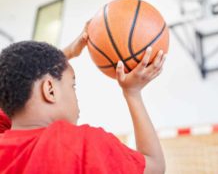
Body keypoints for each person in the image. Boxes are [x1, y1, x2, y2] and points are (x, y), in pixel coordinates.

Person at [0, 22, 166, 174]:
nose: (76, 97)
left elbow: (9, 89)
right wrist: (133, 93)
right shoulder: (84, 145)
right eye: (73, 86)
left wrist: (60, 59)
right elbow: (155, 166)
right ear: (50, 90)